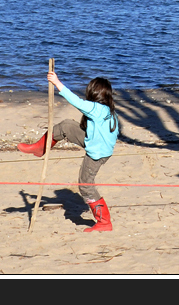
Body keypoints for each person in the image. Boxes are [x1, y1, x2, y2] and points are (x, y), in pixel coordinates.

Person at [17, 71, 120, 231]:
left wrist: (57, 82)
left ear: (94, 93)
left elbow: (76, 101)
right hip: (94, 142)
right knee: (66, 126)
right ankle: (40, 147)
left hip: (97, 153)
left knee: (85, 185)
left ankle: (104, 222)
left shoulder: (97, 109)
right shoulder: (107, 110)